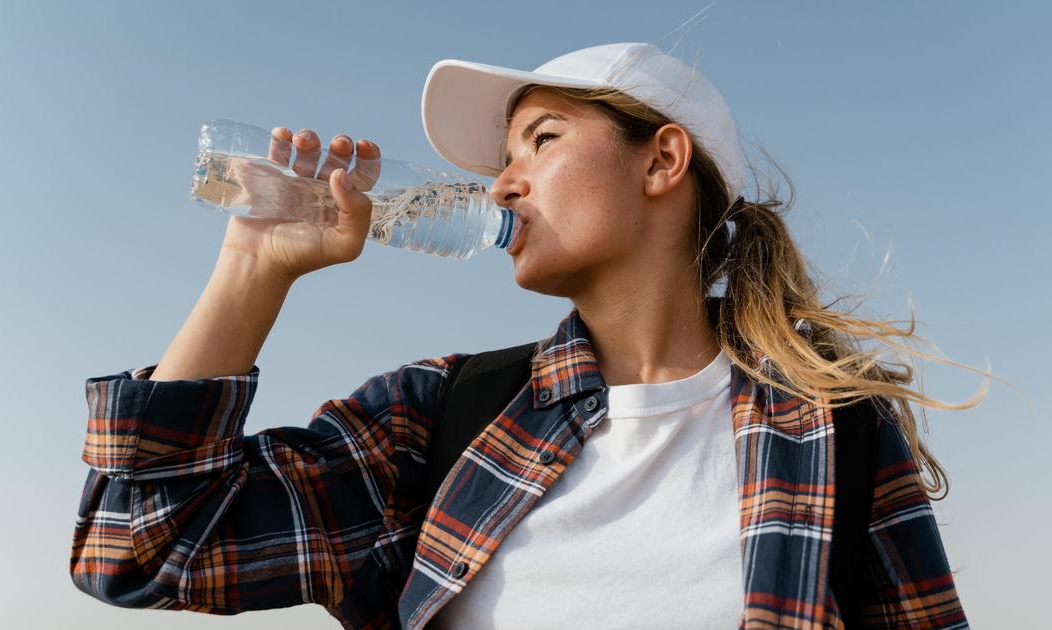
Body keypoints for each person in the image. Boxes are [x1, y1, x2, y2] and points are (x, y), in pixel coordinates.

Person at [71, 43, 981, 629]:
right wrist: (253, 269)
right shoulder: (439, 413)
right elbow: (141, 549)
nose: (504, 186)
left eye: (539, 141)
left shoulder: (835, 428)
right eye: (501, 162)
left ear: (663, 160)